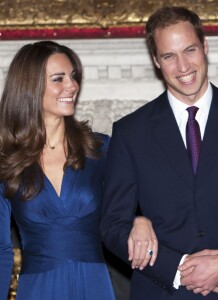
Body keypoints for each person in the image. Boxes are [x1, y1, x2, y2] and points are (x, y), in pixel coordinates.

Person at [100, 6, 218, 300]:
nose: (183, 66)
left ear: (205, 47)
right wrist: (179, 269)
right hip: (160, 291)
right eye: (169, 56)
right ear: (156, 61)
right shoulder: (130, 132)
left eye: (189, 50)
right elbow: (112, 225)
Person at [0, 41, 157, 300]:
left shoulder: (99, 149)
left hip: (94, 285)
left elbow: (140, 200)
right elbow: (2, 249)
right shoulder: (7, 161)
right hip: (37, 290)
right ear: (31, 87)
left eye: (73, 77)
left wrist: (141, 219)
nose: (72, 86)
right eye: (58, 79)